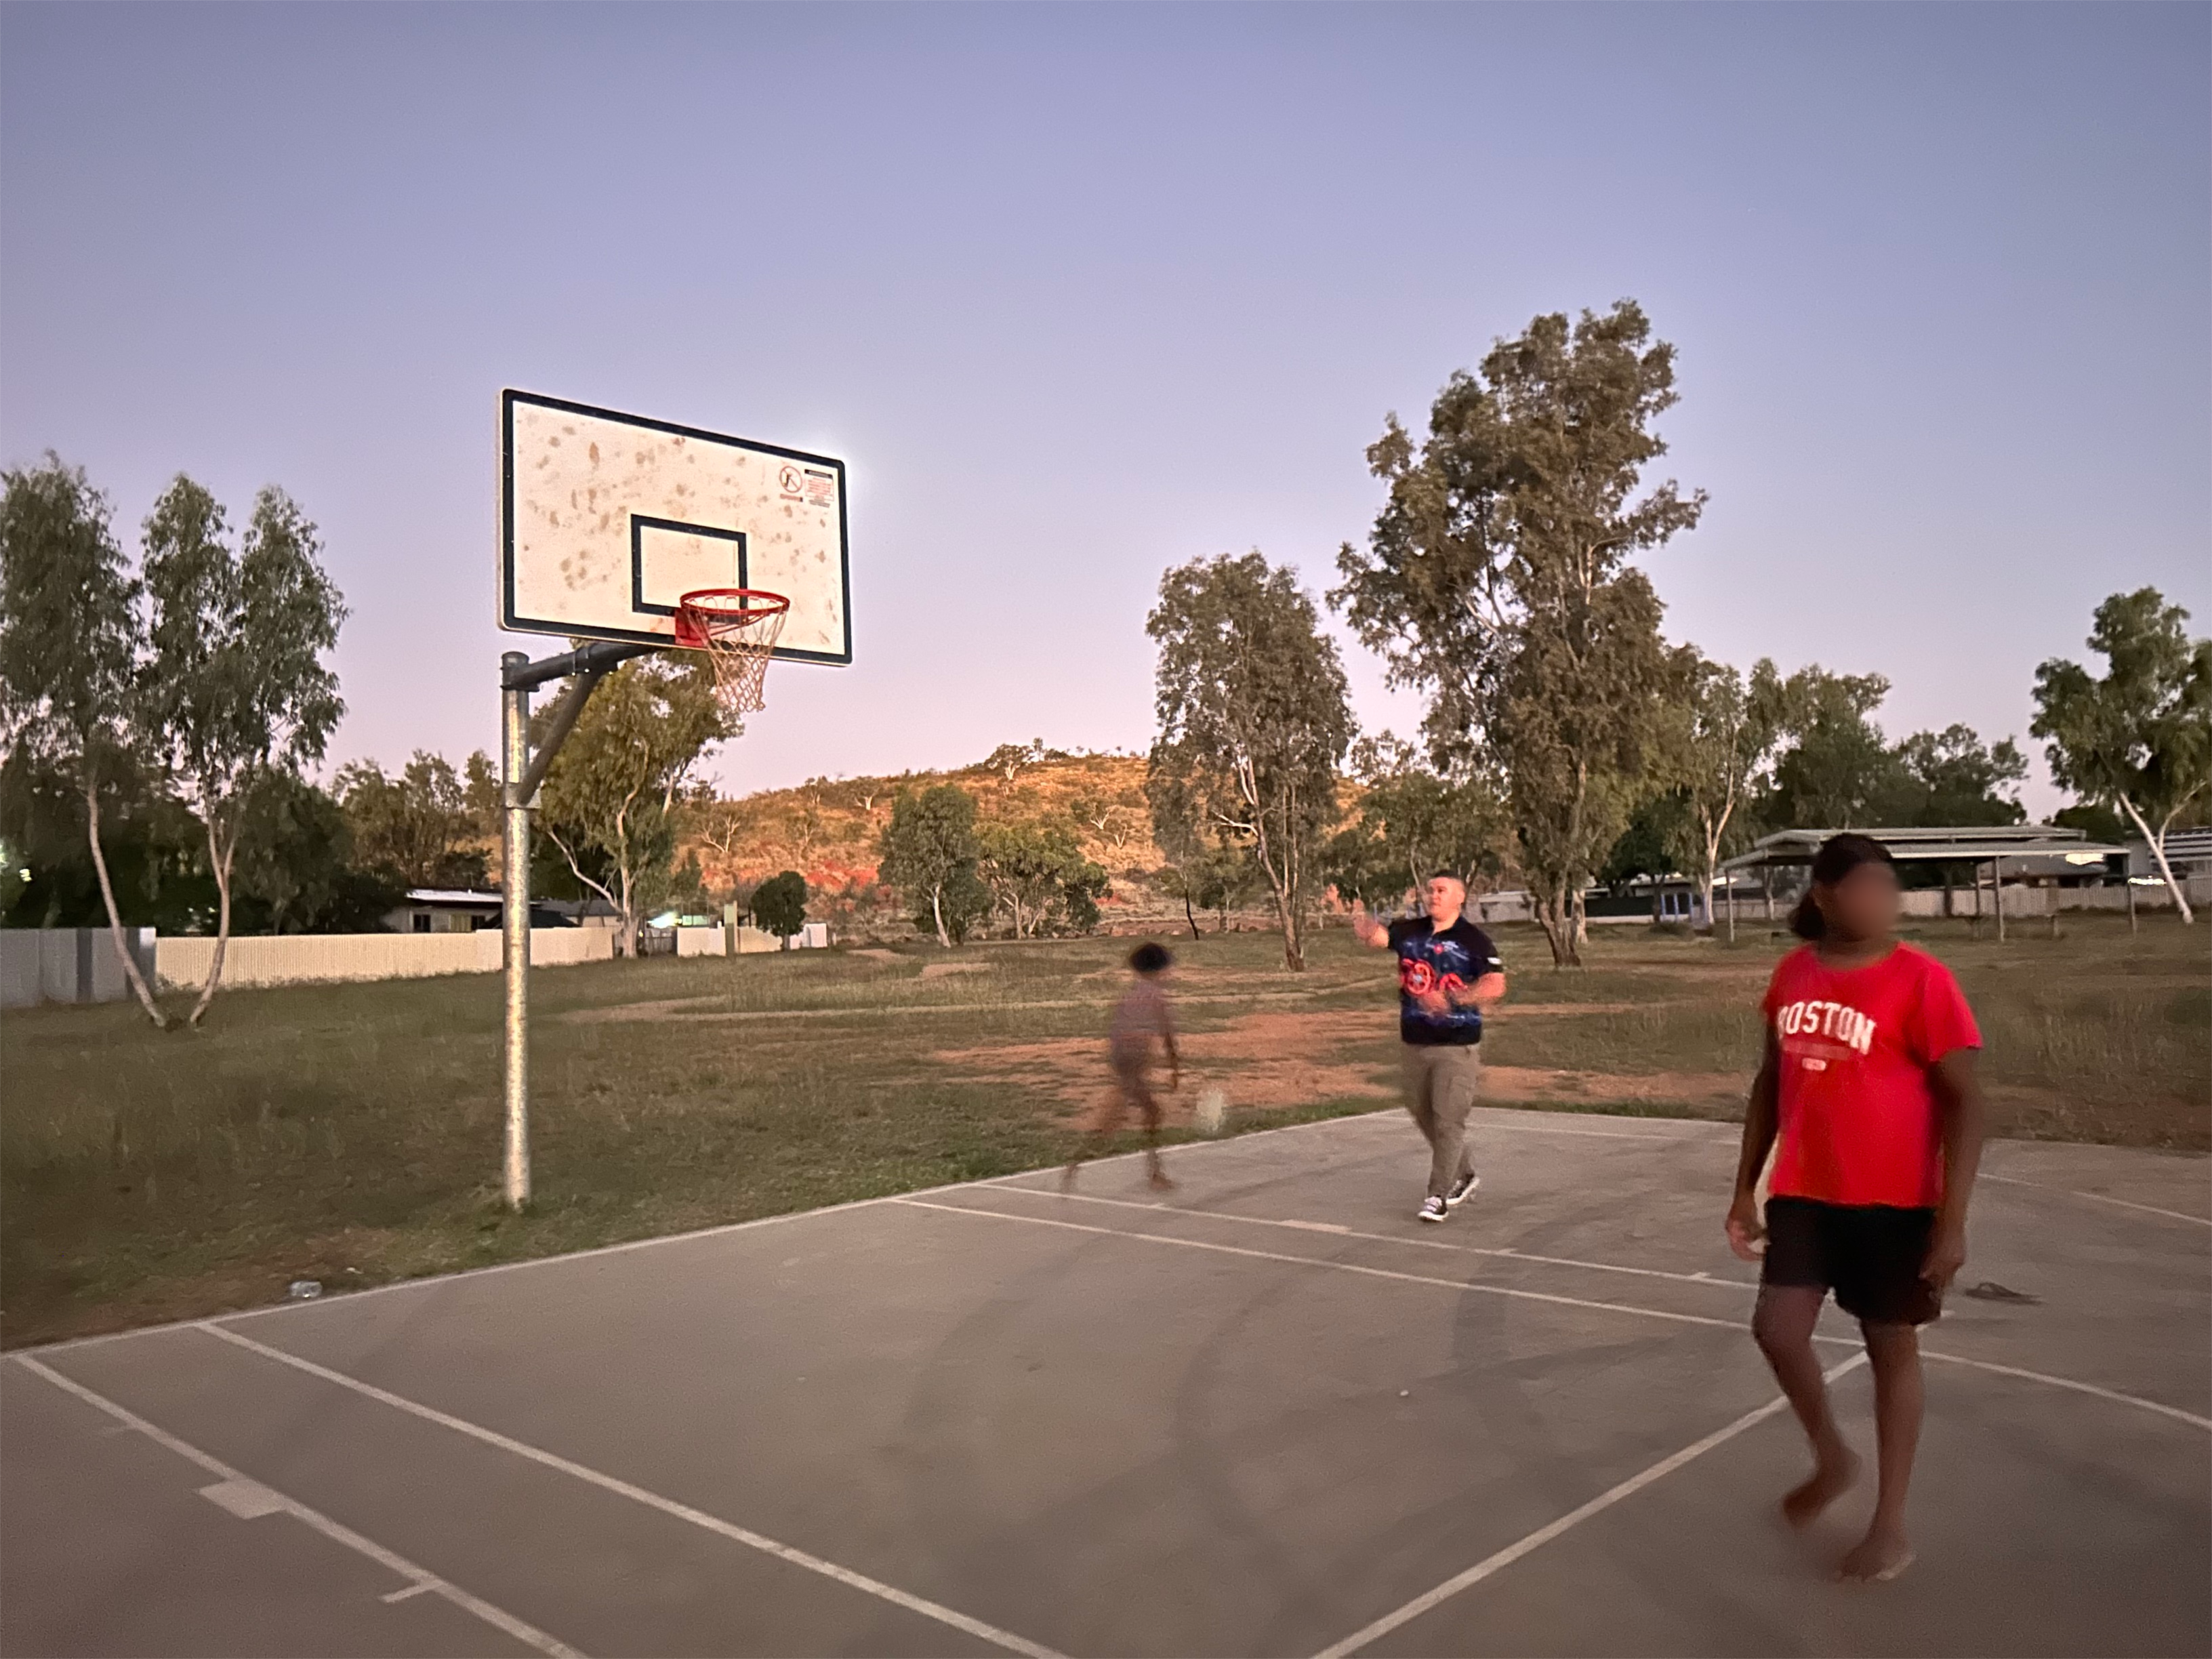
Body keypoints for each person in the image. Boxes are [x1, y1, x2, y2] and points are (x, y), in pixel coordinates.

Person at [1725, 833, 1987, 1584]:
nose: (1880, 901)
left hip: (1895, 1202)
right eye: (1864, 886)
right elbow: (1770, 1084)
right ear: (1823, 894)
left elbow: (1969, 1105)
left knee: (1890, 1348)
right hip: (1806, 1192)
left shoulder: (1922, 980)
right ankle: (1833, 1457)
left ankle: (1890, 1525)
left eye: (1887, 887)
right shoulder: (1792, 974)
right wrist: (1745, 1185)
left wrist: (1954, 1221)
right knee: (1777, 1330)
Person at [1353, 874, 1507, 1222]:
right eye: (1430, 890)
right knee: (1423, 1114)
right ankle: (1464, 1173)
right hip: (1414, 1041)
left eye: (1442, 891)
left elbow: (1496, 985)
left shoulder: (1474, 940)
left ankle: (1436, 1196)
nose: (1433, 896)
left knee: (1448, 1119)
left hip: (1456, 1045)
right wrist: (1360, 923)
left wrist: (1455, 998)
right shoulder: (1412, 931)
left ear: (1459, 898)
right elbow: (1381, 937)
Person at [1065, 941, 1181, 1191]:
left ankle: (1154, 1172)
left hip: (1124, 1058)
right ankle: (1077, 1164)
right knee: (1116, 1119)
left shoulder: (1131, 994)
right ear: (1160, 968)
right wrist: (1174, 1068)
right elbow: (1167, 1034)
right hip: (1133, 1059)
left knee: (1146, 1112)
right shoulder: (1156, 996)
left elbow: (1117, 1030)